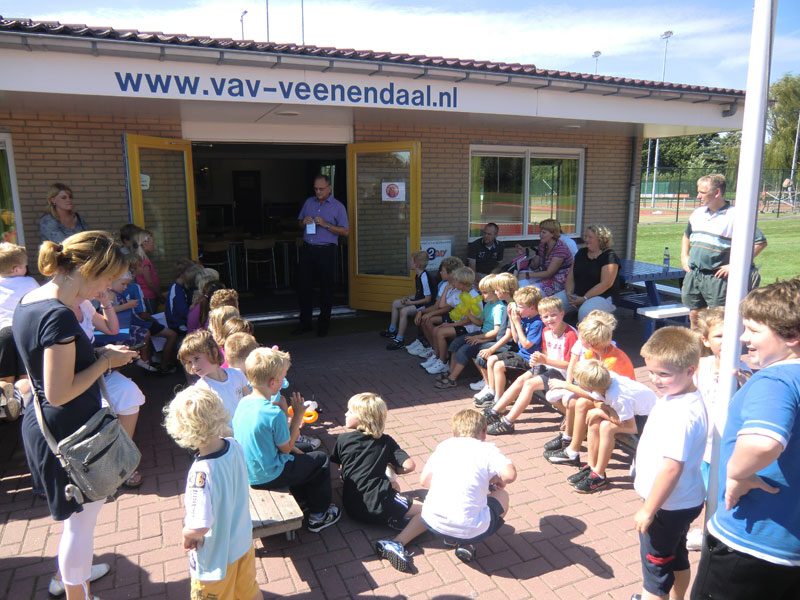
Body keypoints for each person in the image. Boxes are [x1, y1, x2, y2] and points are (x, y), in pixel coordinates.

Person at [12, 231, 136, 600]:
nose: (108, 288)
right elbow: (59, 391)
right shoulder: (59, 317)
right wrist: (106, 361)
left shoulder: (30, 300)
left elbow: (43, 372)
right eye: (107, 279)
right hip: (69, 433)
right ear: (88, 269)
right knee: (80, 528)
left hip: (49, 426)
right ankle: (76, 590)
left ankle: (75, 579)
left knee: (77, 525)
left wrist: (99, 357)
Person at [691, 278, 800, 600]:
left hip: (751, 541)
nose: (742, 337)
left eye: (753, 330)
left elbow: (763, 442)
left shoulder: (776, 380)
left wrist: (737, 474)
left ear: (791, 335)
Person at [373, 409, 516, 573]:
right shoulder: (488, 450)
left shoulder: (444, 446)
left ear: (454, 432)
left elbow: (424, 481)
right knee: (503, 496)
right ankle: (467, 543)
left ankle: (396, 542)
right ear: (484, 431)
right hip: (470, 528)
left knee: (432, 505)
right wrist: (497, 481)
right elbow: (510, 475)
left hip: (433, 521)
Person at [163, 386, 259, 600]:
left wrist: (187, 534)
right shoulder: (234, 445)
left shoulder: (201, 473)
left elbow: (200, 524)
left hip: (217, 559)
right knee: (248, 592)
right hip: (243, 543)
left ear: (182, 429)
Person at [632, 326, 707, 600]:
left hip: (667, 506)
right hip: (683, 500)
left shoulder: (681, 414)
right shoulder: (680, 397)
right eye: (651, 371)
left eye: (664, 374)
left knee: (655, 573)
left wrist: (648, 509)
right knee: (676, 556)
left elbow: (672, 467)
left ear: (690, 370)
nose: (655, 379)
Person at [232, 347, 341, 533]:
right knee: (321, 459)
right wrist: (298, 416)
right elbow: (287, 448)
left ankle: (304, 498)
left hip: (250, 470)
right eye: (283, 377)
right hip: (268, 475)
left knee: (307, 450)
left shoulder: (243, 402)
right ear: (273, 382)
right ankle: (319, 516)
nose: (284, 381)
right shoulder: (272, 413)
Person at [681, 173, 767, 328]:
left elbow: (760, 242)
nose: (698, 196)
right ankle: (697, 343)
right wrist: (684, 256)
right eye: (698, 191)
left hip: (717, 277)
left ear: (717, 192)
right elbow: (687, 235)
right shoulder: (697, 213)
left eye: (702, 192)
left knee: (718, 318)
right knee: (694, 314)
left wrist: (735, 265)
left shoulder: (736, 215)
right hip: (695, 274)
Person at [484, 295, 577, 435]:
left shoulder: (570, 334)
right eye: (545, 316)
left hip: (566, 374)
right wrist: (537, 359)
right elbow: (546, 353)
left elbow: (570, 364)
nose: (549, 319)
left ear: (562, 313)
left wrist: (545, 361)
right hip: (551, 367)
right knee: (521, 380)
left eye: (553, 315)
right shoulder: (546, 331)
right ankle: (495, 411)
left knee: (529, 384)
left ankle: (508, 422)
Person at [563, 360, 656, 494]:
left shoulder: (618, 396)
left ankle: (599, 476)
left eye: (578, 382)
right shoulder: (603, 380)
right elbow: (598, 401)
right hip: (631, 413)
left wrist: (601, 412)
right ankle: (592, 467)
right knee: (594, 420)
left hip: (648, 420)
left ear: (589, 386)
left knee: (607, 427)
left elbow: (632, 427)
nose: (576, 383)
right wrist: (602, 410)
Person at [331, 392, 421, 529]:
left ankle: (392, 517)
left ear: (363, 418)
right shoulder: (386, 441)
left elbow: (335, 467)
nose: (345, 414)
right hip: (378, 506)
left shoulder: (343, 439)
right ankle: (393, 519)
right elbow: (410, 466)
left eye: (350, 411)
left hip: (351, 508)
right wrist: (394, 470)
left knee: (393, 486)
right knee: (428, 511)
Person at [295, 174, 349, 337]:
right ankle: (305, 324)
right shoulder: (308, 202)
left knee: (326, 288)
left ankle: (323, 325)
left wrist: (326, 224)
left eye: (321, 189)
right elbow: (299, 223)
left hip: (326, 251)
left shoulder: (338, 207)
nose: (318, 192)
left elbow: (345, 231)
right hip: (308, 249)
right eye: (316, 189)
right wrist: (303, 222)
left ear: (329, 188)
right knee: (304, 287)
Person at [475, 284, 542, 410]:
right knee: (491, 359)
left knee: (499, 366)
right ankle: (492, 392)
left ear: (532, 307)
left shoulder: (537, 322)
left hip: (529, 359)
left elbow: (526, 344)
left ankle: (499, 402)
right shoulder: (525, 318)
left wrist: (517, 323)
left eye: (520, 306)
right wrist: (512, 319)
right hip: (521, 354)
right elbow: (516, 339)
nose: (518, 309)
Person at [434, 275, 503, 389]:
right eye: (481, 292)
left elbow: (496, 331)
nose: (482, 295)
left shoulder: (499, 308)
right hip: (482, 333)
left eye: (485, 292)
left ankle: (452, 379)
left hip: (490, 337)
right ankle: (451, 372)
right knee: (456, 343)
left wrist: (479, 338)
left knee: (464, 350)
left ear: (495, 292)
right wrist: (468, 314)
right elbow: (479, 323)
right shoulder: (489, 305)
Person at [179, 330, 250, 426]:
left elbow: (249, 400)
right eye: (189, 362)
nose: (194, 366)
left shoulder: (237, 374)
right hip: (226, 434)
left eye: (196, 359)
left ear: (214, 352)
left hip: (246, 428)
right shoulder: (201, 390)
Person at [0, 243, 39, 400]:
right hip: (24, 331)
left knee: (4, 378)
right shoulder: (29, 282)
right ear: (16, 269)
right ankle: (22, 401)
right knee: (26, 375)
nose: (26, 269)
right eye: (24, 266)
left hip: (3, 333)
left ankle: (5, 402)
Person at [407, 257, 464, 359]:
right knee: (424, 319)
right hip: (446, 314)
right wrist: (421, 312)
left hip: (454, 316)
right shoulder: (444, 284)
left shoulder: (458, 287)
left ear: (451, 273)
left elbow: (448, 308)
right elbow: (437, 306)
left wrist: (429, 314)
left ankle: (440, 354)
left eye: (443, 271)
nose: (440, 273)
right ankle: (434, 349)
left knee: (428, 320)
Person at [564, 224, 620, 322]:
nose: (586, 239)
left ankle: (584, 332)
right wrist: (569, 293)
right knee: (552, 305)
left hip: (602, 296)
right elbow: (571, 276)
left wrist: (584, 298)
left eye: (590, 237)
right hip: (577, 294)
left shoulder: (609, 257)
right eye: (585, 236)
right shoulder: (581, 253)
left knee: (585, 312)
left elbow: (606, 284)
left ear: (601, 239)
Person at [381, 251, 432, 350]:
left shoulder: (424, 277)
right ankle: (392, 330)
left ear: (417, 264)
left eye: (411, 261)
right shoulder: (418, 275)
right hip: (419, 302)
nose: (409, 262)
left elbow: (428, 299)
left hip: (427, 305)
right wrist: (408, 297)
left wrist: (411, 302)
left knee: (404, 311)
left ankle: (399, 340)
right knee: (396, 303)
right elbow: (419, 294)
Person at [517, 219, 573, 297]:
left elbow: (549, 273)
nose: (540, 235)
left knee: (529, 292)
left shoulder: (560, 249)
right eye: (540, 232)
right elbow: (535, 265)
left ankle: (527, 302)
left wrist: (527, 275)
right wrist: (524, 254)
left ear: (553, 234)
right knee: (520, 279)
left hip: (560, 281)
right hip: (547, 276)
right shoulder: (543, 245)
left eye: (544, 232)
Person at [133, 229, 162, 314]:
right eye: (152, 243)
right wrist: (159, 294)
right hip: (148, 296)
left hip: (147, 295)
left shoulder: (142, 259)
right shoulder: (144, 261)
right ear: (145, 243)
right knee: (152, 316)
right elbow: (149, 282)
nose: (154, 245)